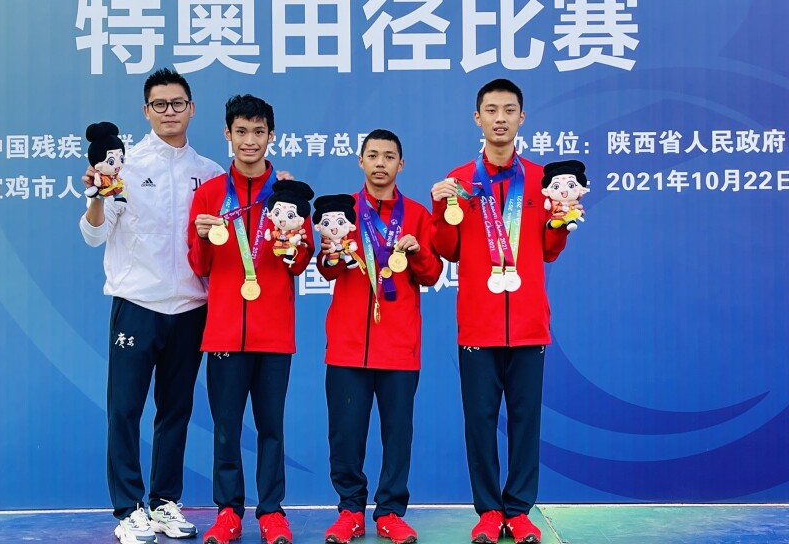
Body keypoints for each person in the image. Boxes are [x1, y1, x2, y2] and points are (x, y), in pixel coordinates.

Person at [79, 68, 224, 544]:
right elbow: (94, 234)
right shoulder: (123, 166)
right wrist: (97, 197)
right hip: (137, 304)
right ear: (145, 111)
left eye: (177, 103)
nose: (169, 112)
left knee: (176, 410)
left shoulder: (212, 174)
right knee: (125, 409)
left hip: (190, 307)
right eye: (159, 104)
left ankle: (164, 503)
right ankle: (128, 509)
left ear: (192, 109)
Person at [430, 79, 576, 544]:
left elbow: (549, 250)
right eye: (490, 109)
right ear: (477, 118)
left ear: (521, 118)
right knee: (479, 422)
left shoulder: (539, 180)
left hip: (529, 323)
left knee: (526, 421)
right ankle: (489, 511)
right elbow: (447, 249)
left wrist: (559, 220)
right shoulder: (459, 179)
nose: (499, 117)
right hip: (478, 322)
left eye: (508, 109)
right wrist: (442, 208)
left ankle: (520, 509)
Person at [188, 94, 314, 544]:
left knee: (271, 428)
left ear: (270, 136)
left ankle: (272, 511)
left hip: (274, 333)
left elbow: (301, 262)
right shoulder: (208, 194)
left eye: (258, 132)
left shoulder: (287, 194)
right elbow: (199, 265)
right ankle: (228, 511)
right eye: (241, 131)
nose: (249, 141)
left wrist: (292, 241)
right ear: (227, 134)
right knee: (225, 429)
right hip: (223, 331)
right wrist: (204, 236)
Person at [316, 129, 443, 544]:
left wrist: (418, 250)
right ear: (360, 161)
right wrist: (333, 248)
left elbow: (432, 274)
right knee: (345, 434)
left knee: (397, 434)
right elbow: (327, 270)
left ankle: (390, 511)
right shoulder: (342, 212)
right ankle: (351, 510)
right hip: (348, 345)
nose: (381, 163)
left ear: (400, 164)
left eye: (389, 156)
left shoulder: (418, 216)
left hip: (399, 346)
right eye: (373, 155)